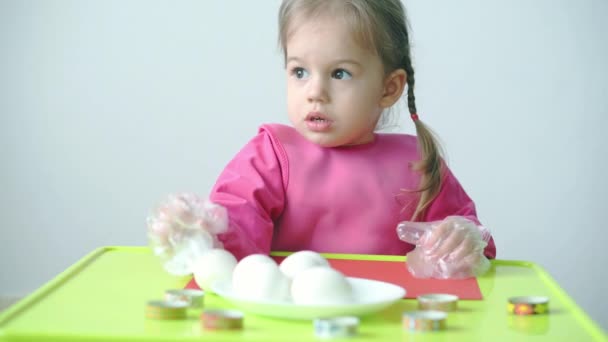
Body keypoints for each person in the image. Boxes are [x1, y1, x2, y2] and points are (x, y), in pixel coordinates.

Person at [150, 0, 496, 279]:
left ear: (388, 88)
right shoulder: (270, 155)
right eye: (299, 71)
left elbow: (477, 247)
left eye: (340, 73)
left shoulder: (418, 164)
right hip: (285, 320)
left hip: (388, 325)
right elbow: (237, 235)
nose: (315, 92)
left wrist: (462, 243)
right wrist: (204, 232)